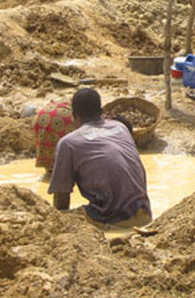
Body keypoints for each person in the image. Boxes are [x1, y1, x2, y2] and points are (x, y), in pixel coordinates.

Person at [48, 88, 152, 228]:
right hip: (145, 214)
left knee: (55, 219)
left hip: (112, 219)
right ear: (100, 111)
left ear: (74, 115)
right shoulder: (120, 127)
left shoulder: (69, 143)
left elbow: (61, 197)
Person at [33, 102, 76, 174]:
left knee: (47, 145)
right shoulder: (92, 117)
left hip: (42, 116)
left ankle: (49, 171)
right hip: (64, 119)